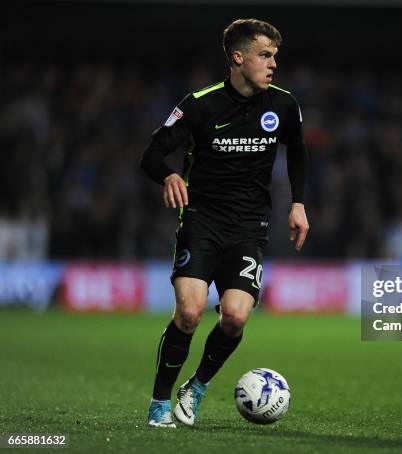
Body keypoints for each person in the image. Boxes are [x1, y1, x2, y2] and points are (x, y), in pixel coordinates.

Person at [140, 18, 308, 428]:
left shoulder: (283, 105)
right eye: (265, 55)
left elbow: (298, 152)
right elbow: (151, 154)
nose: (273, 65)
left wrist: (299, 203)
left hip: (249, 227)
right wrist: (170, 175)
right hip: (202, 220)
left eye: (275, 57)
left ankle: (195, 387)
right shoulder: (200, 104)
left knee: (234, 317)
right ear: (238, 57)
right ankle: (159, 401)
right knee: (190, 312)